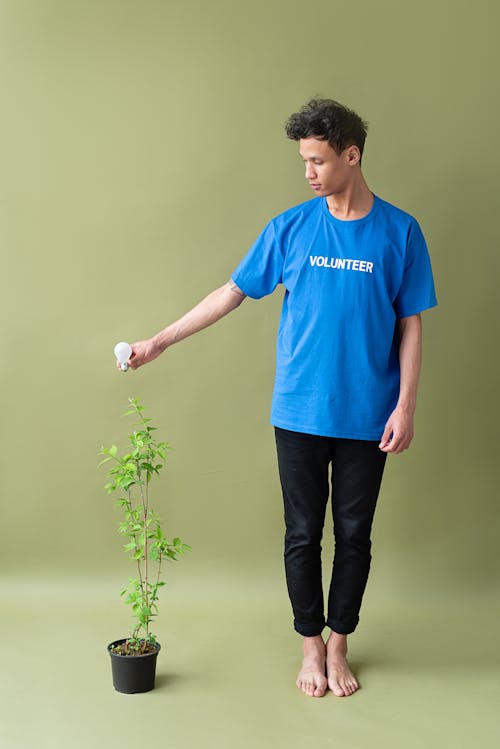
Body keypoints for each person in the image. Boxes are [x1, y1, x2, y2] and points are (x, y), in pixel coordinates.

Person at [118, 98, 437, 699]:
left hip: (370, 412)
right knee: (301, 533)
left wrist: (407, 405)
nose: (309, 172)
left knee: (355, 533)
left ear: (352, 154)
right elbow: (233, 291)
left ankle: (340, 644)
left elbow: (412, 323)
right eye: (303, 161)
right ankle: (310, 646)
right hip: (299, 409)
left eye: (318, 160)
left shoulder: (400, 231)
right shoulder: (289, 227)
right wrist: (159, 340)